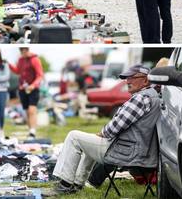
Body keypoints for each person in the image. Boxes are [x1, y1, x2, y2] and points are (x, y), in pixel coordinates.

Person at [43, 65, 161, 196]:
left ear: (145, 80)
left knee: (73, 136)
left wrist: (102, 133)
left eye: (132, 78)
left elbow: (114, 128)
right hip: (136, 151)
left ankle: (64, 185)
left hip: (126, 152)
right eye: (127, 78)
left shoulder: (141, 98)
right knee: (87, 141)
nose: (127, 81)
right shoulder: (153, 96)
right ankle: (76, 184)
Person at [9, 48, 43, 140]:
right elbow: (18, 71)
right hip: (22, 88)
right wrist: (9, 65)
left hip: (33, 89)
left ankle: (33, 131)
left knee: (32, 110)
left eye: (25, 51)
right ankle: (30, 131)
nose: (23, 53)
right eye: (22, 52)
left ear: (28, 50)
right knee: (27, 111)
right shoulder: (20, 60)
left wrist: (33, 85)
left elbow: (40, 75)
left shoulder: (35, 59)